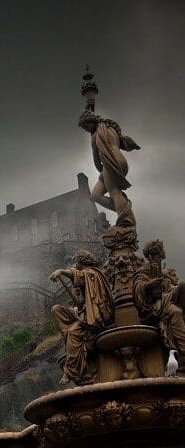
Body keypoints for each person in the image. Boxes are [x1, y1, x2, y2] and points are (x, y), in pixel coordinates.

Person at [50, 250, 114, 385]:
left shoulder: (93, 273)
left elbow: (78, 275)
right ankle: (69, 336)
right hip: (83, 312)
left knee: (73, 333)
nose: (74, 264)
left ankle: (70, 371)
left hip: (95, 315)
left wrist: (62, 271)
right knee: (57, 310)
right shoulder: (86, 276)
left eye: (76, 262)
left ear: (82, 262)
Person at [78, 110, 140, 227]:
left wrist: (101, 170)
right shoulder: (110, 128)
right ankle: (124, 209)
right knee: (95, 195)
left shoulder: (96, 134)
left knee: (114, 193)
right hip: (120, 162)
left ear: (90, 123)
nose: (86, 130)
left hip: (110, 163)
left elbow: (96, 161)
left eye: (85, 127)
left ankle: (125, 220)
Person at [133, 240, 185, 376]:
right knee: (178, 302)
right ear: (152, 254)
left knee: (177, 310)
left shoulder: (162, 271)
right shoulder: (143, 271)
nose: (162, 254)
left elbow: (169, 286)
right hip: (154, 307)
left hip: (165, 302)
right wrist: (148, 285)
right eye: (159, 252)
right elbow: (138, 288)